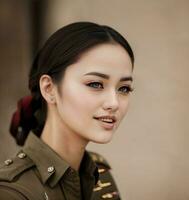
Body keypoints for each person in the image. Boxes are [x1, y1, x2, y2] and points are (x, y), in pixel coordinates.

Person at [0, 21, 134, 200]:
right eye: (95, 84)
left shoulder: (99, 175)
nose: (114, 103)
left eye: (124, 88)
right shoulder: (12, 192)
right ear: (49, 88)